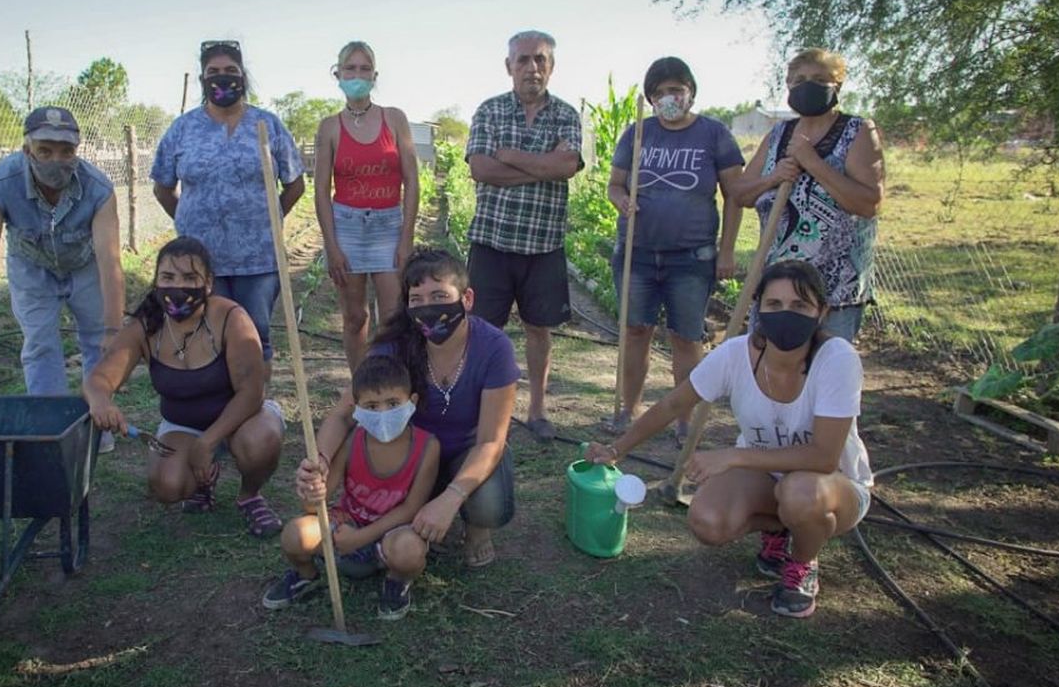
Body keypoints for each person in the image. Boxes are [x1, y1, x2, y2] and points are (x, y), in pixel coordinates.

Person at [586, 260, 873, 618]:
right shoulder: (737, 354)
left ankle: (802, 563)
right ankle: (782, 529)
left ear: (822, 312)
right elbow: (675, 402)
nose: (786, 314)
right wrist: (617, 449)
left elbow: (824, 457)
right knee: (707, 521)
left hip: (836, 487)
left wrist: (735, 457)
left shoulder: (837, 359)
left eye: (800, 306)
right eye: (774, 305)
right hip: (768, 479)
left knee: (800, 493)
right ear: (758, 309)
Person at [295, 248, 518, 568]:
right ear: (407, 305)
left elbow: (490, 442)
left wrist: (452, 496)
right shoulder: (394, 345)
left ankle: (475, 528)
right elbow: (344, 413)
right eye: (418, 299)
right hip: (408, 453)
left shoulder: (494, 347)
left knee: (489, 501)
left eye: (440, 295)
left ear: (466, 299)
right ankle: (403, 517)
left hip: (464, 453)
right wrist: (321, 459)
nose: (429, 308)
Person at [0, 105, 123, 452]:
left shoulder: (98, 188)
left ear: (77, 152)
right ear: (27, 151)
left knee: (96, 343)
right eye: (45, 151)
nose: (56, 160)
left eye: (66, 151)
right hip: (31, 267)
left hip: (85, 266)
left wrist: (114, 330)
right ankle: (53, 430)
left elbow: (109, 259)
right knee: (40, 345)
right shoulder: (1, 184)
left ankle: (97, 425)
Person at [86, 237, 286, 537]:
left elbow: (252, 393)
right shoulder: (146, 325)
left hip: (242, 419)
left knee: (262, 440)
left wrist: (207, 442)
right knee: (167, 485)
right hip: (183, 425)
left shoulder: (231, 318)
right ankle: (203, 481)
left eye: (189, 277)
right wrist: (100, 401)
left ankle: (250, 495)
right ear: (156, 282)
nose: (177, 286)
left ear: (208, 284)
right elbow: (99, 378)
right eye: (168, 277)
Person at [605, 57, 746, 442]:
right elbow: (615, 184)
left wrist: (727, 250)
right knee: (635, 331)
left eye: (676, 90)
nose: (669, 98)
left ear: (690, 93)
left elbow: (735, 194)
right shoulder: (638, 133)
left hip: (692, 257)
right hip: (637, 254)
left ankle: (684, 419)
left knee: (686, 337)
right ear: (650, 98)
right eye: (661, 92)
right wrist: (621, 200)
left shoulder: (713, 134)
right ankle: (627, 409)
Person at [152, 40, 307, 372]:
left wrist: (269, 217)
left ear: (243, 77)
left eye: (230, 72)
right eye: (213, 72)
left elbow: (295, 185)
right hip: (201, 260)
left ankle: (255, 412)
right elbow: (163, 187)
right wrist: (188, 224)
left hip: (259, 258)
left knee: (255, 337)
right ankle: (216, 412)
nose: (222, 79)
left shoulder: (268, 125)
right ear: (202, 79)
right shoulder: (183, 129)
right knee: (207, 337)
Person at [464, 30, 584, 442]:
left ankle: (536, 410)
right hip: (492, 242)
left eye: (540, 60)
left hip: (543, 244)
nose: (532, 68)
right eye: (524, 60)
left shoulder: (566, 114)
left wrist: (512, 157)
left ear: (551, 66)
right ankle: (479, 407)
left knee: (540, 329)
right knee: (480, 329)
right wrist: (541, 164)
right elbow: (481, 169)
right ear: (509, 66)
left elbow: (566, 165)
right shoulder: (490, 110)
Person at [264, 355, 440, 620]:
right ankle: (306, 575)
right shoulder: (351, 441)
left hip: (391, 534)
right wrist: (313, 493)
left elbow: (411, 508)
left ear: (411, 402)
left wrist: (362, 538)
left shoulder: (428, 447)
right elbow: (314, 506)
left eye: (393, 403)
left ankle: (397, 581)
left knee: (409, 552)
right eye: (371, 406)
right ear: (356, 409)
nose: (382, 414)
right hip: (347, 526)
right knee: (294, 534)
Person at [728, 48, 886, 341]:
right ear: (787, 86)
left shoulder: (858, 131)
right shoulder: (779, 135)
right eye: (798, 80)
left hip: (833, 291)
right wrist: (773, 178)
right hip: (777, 287)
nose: (806, 85)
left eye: (818, 78)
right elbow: (739, 193)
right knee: (766, 372)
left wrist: (812, 163)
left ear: (836, 85)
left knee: (824, 374)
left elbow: (869, 204)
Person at [314, 41, 420, 369]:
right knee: (354, 316)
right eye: (350, 69)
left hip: (388, 225)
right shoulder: (330, 127)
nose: (357, 75)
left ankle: (393, 382)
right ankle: (361, 386)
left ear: (374, 75)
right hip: (347, 225)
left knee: (392, 316)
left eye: (363, 69)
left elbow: (412, 181)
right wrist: (331, 246)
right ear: (338, 74)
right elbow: (320, 190)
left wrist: (406, 238)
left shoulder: (395, 120)